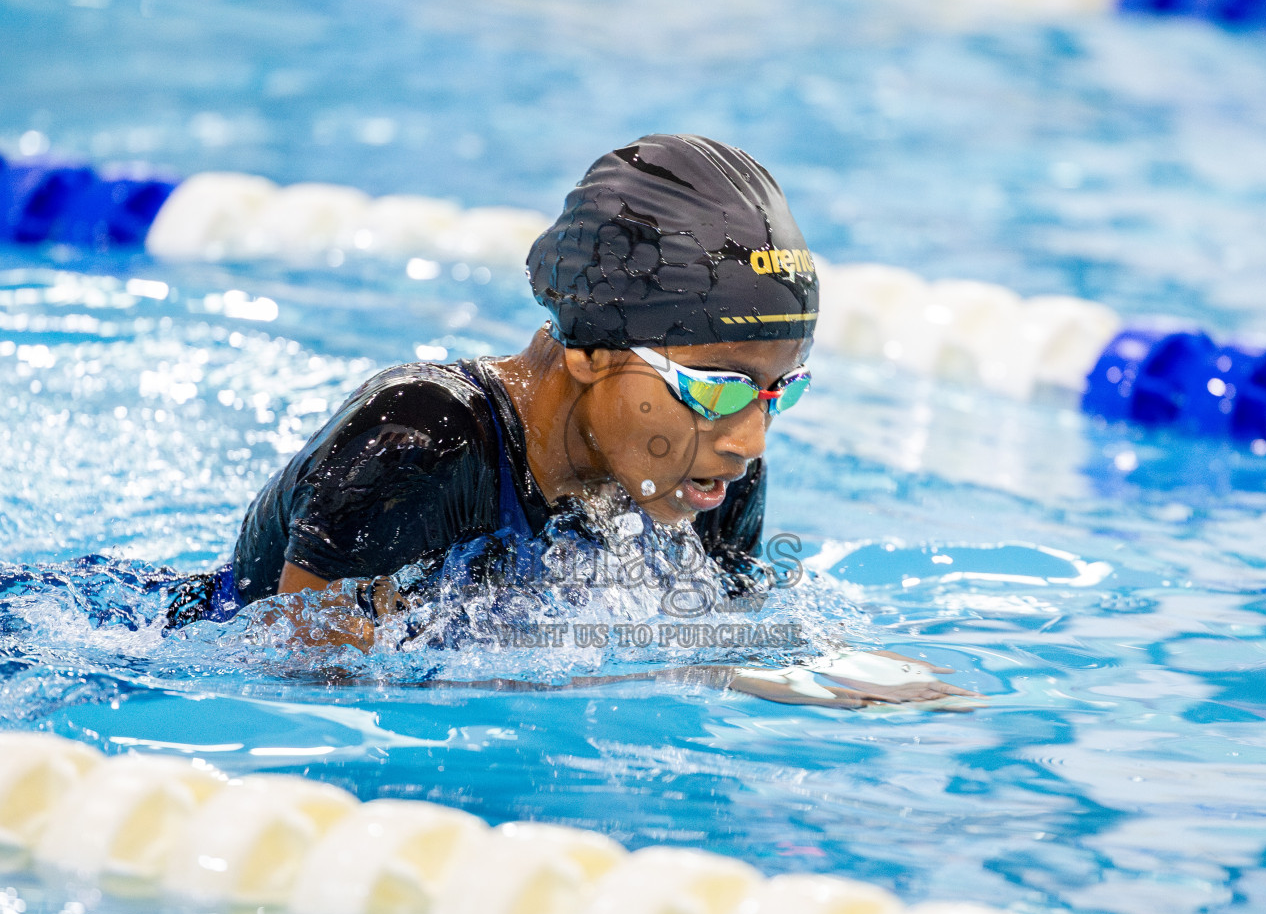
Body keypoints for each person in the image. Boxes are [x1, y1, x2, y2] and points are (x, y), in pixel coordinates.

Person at [165, 134, 975, 710]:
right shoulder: (419, 443)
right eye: (717, 388)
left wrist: (825, 672)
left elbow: (720, 642)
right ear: (591, 351)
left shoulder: (710, 473)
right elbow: (301, 690)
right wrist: (619, 678)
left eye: (776, 392)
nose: (748, 440)